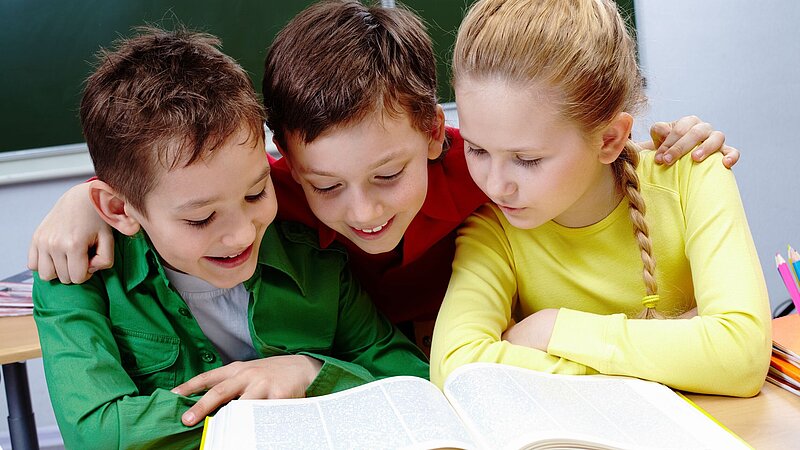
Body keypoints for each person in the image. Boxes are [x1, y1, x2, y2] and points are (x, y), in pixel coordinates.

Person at [29, 0, 738, 355]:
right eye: (325, 187)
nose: (361, 210)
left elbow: (563, 140)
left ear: (433, 133)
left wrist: (670, 138)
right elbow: (166, 178)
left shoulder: (482, 170)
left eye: (389, 175)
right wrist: (78, 202)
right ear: (287, 158)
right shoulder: (265, 199)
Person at [32, 27, 428, 450]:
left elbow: (411, 383)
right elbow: (99, 435)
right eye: (201, 219)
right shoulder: (75, 274)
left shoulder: (313, 255)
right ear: (118, 210)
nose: (241, 234)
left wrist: (308, 372)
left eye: (257, 192)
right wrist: (273, 406)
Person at [430, 0, 771, 397]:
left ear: (609, 138)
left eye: (526, 159)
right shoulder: (494, 226)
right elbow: (456, 369)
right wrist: (680, 347)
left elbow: (741, 357)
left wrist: (553, 327)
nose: (495, 184)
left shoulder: (692, 173)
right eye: (477, 150)